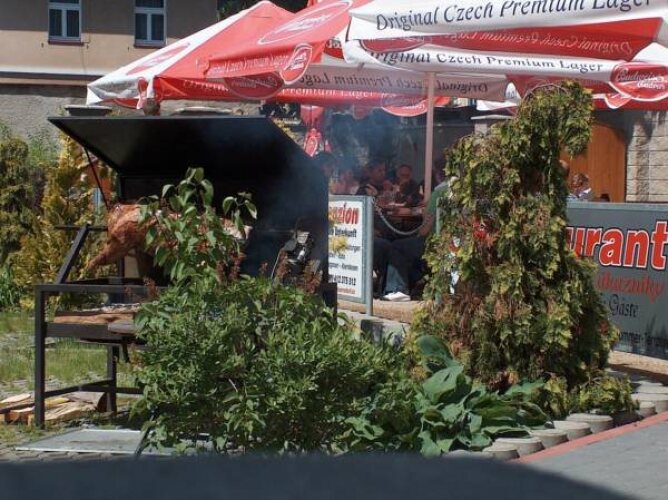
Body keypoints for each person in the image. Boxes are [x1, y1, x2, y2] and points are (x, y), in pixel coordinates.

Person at [381, 179, 450, 302]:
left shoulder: (439, 192)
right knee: (410, 248)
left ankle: (398, 289)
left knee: (397, 246)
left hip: (436, 244)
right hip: (455, 245)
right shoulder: (466, 191)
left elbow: (424, 230)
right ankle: (418, 285)